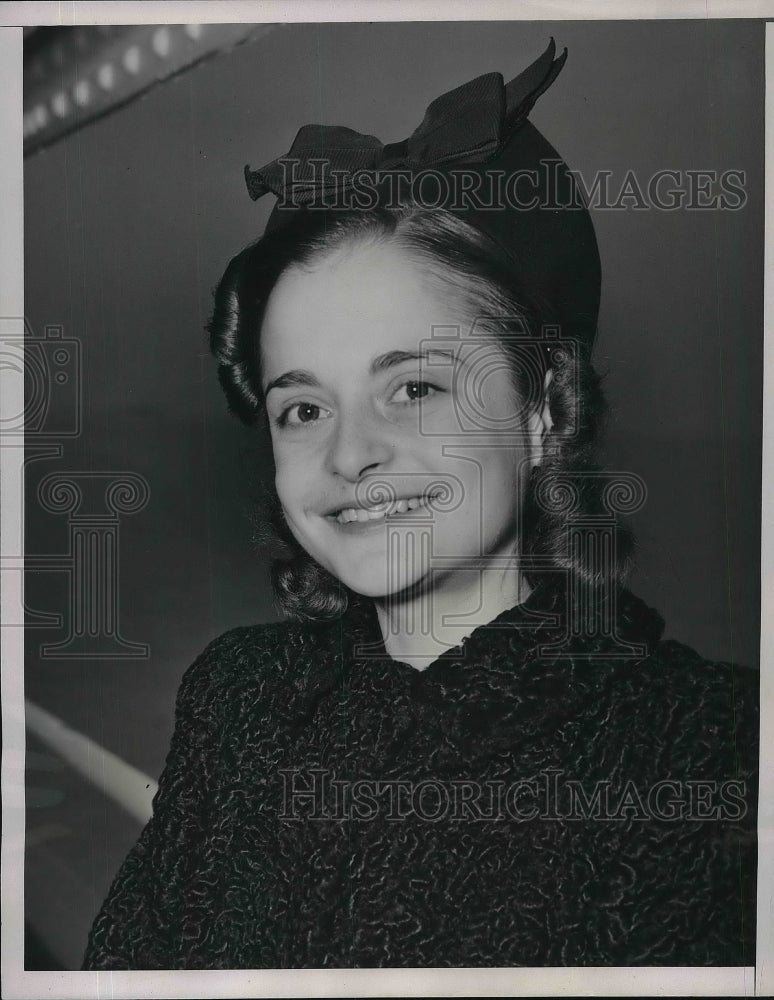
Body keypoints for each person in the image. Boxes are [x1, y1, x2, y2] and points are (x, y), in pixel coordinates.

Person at [82, 41, 758, 970]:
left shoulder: (709, 744)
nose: (349, 453)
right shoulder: (237, 697)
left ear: (541, 413)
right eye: (303, 408)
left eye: (415, 388)